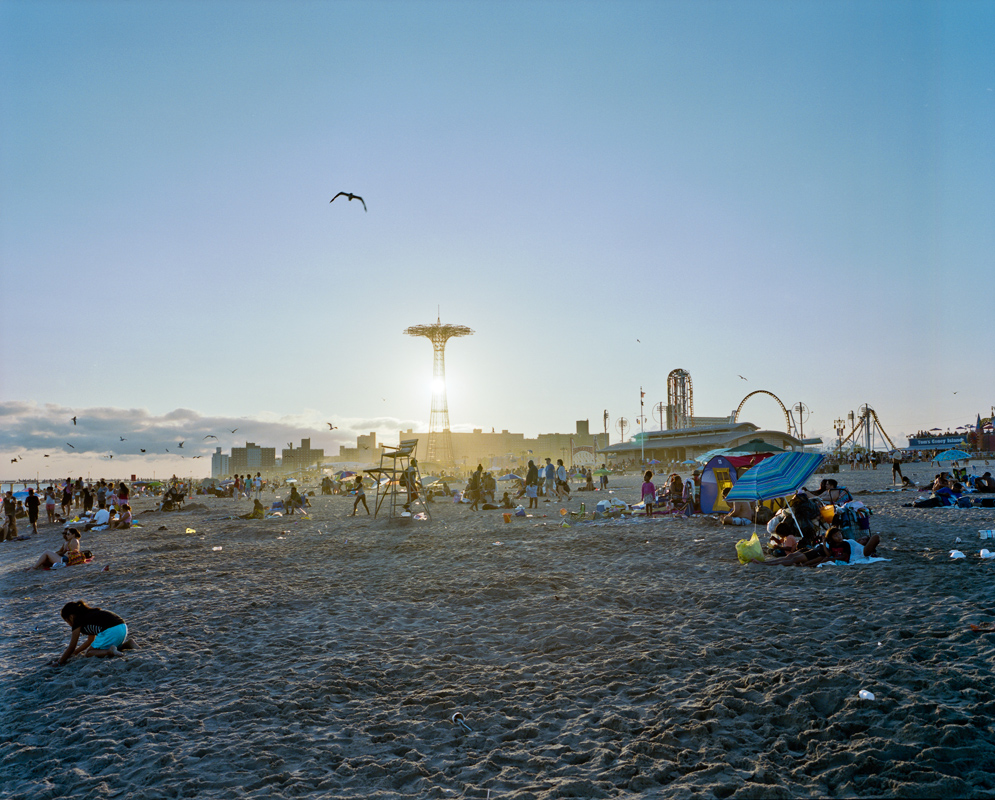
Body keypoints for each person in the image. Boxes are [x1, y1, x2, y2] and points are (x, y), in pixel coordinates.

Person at [52, 601, 137, 665]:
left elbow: (71, 647)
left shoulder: (77, 621)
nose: (69, 624)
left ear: (71, 616)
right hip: (122, 627)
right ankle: (128, 644)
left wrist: (60, 662)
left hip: (110, 630)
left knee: (89, 653)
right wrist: (75, 653)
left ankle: (110, 651)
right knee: (101, 647)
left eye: (67, 621)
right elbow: (90, 640)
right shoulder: (88, 615)